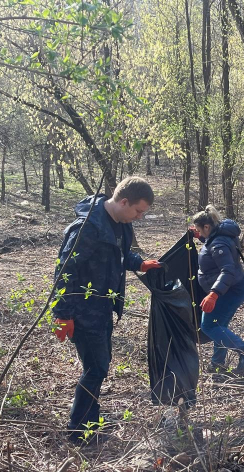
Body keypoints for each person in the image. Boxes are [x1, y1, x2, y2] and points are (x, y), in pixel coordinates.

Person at [52, 176, 162, 443]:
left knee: (99, 365)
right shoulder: (87, 228)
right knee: (96, 368)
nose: (138, 217)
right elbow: (65, 271)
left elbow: (121, 255)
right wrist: (62, 315)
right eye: (138, 211)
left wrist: (140, 263)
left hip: (103, 309)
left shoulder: (122, 225)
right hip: (81, 311)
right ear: (124, 201)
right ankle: (78, 430)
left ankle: (90, 418)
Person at [190, 205, 244, 373]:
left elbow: (227, 270)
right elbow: (212, 244)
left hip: (230, 290)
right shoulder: (220, 233)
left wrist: (213, 294)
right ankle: (217, 363)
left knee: (209, 326)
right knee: (218, 325)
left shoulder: (219, 242)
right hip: (234, 287)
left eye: (200, 229)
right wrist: (200, 237)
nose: (199, 232)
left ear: (207, 227)